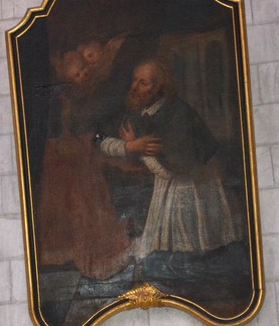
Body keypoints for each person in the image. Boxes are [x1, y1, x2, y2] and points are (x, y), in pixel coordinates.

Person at [100, 58, 237, 255]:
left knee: (186, 250)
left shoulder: (178, 114)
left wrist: (139, 149)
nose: (135, 88)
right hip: (167, 184)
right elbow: (101, 138)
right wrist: (131, 145)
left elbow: (174, 169)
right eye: (134, 80)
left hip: (191, 187)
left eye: (143, 83)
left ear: (158, 88)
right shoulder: (139, 109)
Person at [35, 49, 131, 281]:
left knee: (89, 198)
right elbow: (66, 128)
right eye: (77, 75)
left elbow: (94, 125)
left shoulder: (93, 91)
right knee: (75, 202)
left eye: (84, 70)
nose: (83, 75)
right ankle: (80, 249)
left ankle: (94, 246)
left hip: (81, 153)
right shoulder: (63, 98)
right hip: (65, 156)